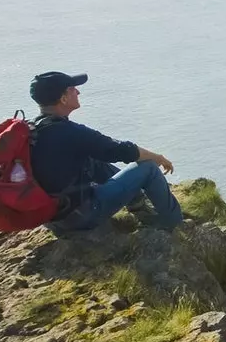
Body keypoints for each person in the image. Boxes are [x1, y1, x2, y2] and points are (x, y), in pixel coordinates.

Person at [27, 71, 183, 233]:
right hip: (81, 216)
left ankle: (137, 202)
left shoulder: (32, 130)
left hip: (53, 217)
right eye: (73, 89)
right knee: (149, 168)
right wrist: (158, 158)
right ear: (63, 98)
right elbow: (121, 150)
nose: (78, 92)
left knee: (92, 160)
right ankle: (174, 223)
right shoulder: (70, 132)